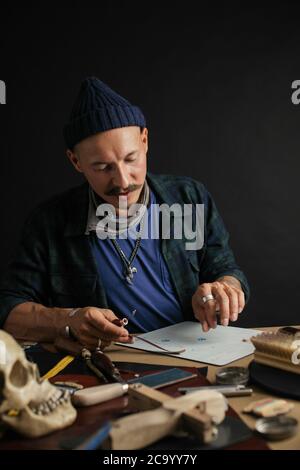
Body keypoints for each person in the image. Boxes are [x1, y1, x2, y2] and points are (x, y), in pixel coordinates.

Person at [0, 77, 249, 352]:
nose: (122, 181)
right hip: (109, 364)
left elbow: (224, 268)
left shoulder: (188, 198)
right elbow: (7, 308)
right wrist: (67, 319)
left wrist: (224, 289)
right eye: (103, 167)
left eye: (131, 159)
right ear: (75, 161)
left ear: (144, 140)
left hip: (195, 354)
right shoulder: (49, 223)